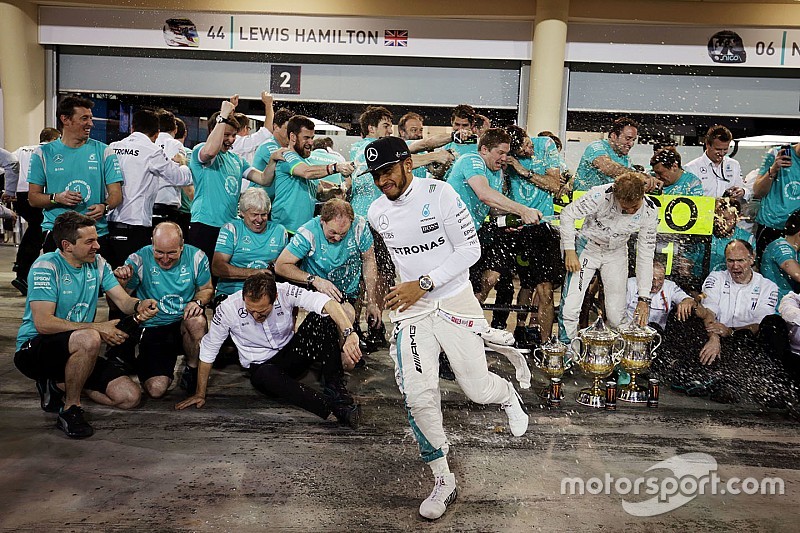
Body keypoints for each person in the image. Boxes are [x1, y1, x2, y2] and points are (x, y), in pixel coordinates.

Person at [366, 136, 529, 520]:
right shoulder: (375, 211)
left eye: (387, 171)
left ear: (407, 164)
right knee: (418, 394)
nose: (381, 181)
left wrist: (422, 283)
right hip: (413, 310)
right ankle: (443, 478)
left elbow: (469, 251)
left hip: (454, 299)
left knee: (475, 388)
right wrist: (388, 296)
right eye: (375, 175)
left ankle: (506, 395)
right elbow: (391, 259)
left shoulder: (440, 194)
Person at [13, 211, 158, 438]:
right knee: (89, 338)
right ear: (67, 245)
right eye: (89, 241)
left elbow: (123, 300)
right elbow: (43, 323)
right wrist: (98, 328)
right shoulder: (46, 266)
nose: (97, 246)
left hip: (79, 347)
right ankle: (71, 409)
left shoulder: (97, 264)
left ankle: (57, 384)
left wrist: (140, 304)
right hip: (34, 349)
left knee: (129, 397)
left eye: (96, 239)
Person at [175, 272, 363, 429]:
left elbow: (326, 302)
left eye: (262, 312)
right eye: (251, 311)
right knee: (265, 374)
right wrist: (200, 393)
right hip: (262, 368)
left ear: (275, 298)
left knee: (323, 318)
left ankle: (336, 388)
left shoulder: (284, 291)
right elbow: (209, 349)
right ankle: (336, 409)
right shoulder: (228, 309)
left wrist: (349, 333)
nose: (256, 316)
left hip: (290, 353)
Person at [654, 240, 790, 405]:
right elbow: (708, 312)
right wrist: (715, 337)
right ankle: (685, 370)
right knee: (686, 310)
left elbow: (759, 325)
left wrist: (730, 331)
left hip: (743, 341)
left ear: (752, 259)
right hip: (713, 335)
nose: (735, 266)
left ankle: (771, 383)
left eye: (740, 261)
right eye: (730, 261)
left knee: (775, 324)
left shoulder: (767, 287)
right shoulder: (716, 278)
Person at [109, 222, 213, 397]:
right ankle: (143, 361)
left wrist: (197, 302)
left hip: (182, 322)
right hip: (154, 325)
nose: (165, 259)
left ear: (182, 246)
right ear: (152, 244)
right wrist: (121, 282)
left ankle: (192, 369)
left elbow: (207, 289)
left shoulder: (197, 256)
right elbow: (118, 304)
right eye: (159, 252)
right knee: (156, 390)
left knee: (197, 320)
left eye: (172, 252)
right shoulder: (138, 260)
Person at [445, 128, 542, 303]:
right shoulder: (471, 160)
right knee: (460, 288)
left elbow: (493, 208)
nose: (505, 158)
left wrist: (511, 217)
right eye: (500, 153)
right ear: (484, 150)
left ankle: (472, 319)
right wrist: (522, 210)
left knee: (491, 277)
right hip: (451, 235)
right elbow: (484, 194)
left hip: (474, 232)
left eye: (507, 153)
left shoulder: (497, 171)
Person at [559, 172, 659, 342]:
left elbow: (645, 254)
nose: (630, 211)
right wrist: (569, 250)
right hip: (588, 248)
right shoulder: (599, 195)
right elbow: (568, 214)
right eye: (625, 207)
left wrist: (644, 297)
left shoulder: (649, 211)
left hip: (616, 252)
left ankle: (616, 355)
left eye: (635, 207)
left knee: (615, 315)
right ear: (615, 196)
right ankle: (566, 352)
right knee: (570, 307)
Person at [187, 95, 281, 264]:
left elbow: (264, 179)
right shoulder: (200, 151)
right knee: (201, 276)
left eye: (234, 136)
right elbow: (210, 151)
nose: (231, 140)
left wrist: (273, 160)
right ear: (213, 131)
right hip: (205, 224)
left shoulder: (236, 160)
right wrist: (222, 116)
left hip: (230, 227)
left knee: (222, 274)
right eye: (226, 135)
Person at [275, 198, 380, 348]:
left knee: (348, 318)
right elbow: (281, 265)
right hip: (319, 289)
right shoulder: (308, 232)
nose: (337, 237)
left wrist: (372, 301)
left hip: (348, 288)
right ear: (322, 221)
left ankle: (345, 352)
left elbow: (369, 260)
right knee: (340, 321)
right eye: (333, 232)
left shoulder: (359, 226)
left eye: (343, 234)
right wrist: (314, 280)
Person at [27, 95, 123, 253]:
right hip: (58, 235)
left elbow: (116, 195)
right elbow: (33, 198)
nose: (90, 124)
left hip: (95, 234)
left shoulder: (105, 151)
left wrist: (104, 206)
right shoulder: (43, 154)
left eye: (91, 118)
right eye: (84, 118)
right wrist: (56, 198)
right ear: (65, 119)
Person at [107, 109, 193, 267]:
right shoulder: (152, 151)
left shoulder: (112, 147)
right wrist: (182, 164)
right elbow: (180, 178)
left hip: (111, 222)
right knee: (134, 276)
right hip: (136, 225)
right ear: (156, 133)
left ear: (132, 128)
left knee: (113, 277)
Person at [502, 126, 563, 344]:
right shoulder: (504, 156)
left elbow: (555, 185)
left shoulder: (545, 145)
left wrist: (521, 169)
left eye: (528, 144)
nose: (529, 150)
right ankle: (515, 329)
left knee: (545, 290)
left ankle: (545, 345)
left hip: (541, 227)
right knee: (515, 285)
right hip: (513, 228)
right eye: (523, 150)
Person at [270, 115, 355, 234]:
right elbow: (306, 172)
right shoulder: (286, 155)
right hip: (284, 230)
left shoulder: (306, 161)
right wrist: (336, 167)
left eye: (312, 138)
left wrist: (332, 193)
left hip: (302, 231)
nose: (310, 142)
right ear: (293, 137)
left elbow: (316, 194)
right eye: (306, 138)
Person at [4, 128, 61, 295]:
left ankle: (22, 266)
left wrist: (9, 190)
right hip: (38, 194)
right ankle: (26, 270)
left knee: (34, 230)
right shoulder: (49, 151)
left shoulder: (22, 149)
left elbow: (7, 167)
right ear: (54, 138)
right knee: (39, 231)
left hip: (20, 197)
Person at [213, 187, 288, 297]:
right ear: (242, 213)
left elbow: (285, 265)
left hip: (267, 295)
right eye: (254, 214)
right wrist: (253, 273)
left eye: (263, 214)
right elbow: (217, 267)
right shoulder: (231, 229)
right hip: (233, 293)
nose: (259, 220)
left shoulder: (280, 231)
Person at [573, 117, 657, 192]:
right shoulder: (596, 147)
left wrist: (650, 181)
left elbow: (629, 180)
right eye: (628, 138)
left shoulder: (626, 159)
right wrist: (640, 177)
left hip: (603, 202)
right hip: (583, 200)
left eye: (633, 140)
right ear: (613, 136)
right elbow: (608, 167)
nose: (631, 144)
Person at [752, 141, 800, 261]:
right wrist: (773, 169)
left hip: (796, 232)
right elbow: (758, 191)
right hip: (771, 227)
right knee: (767, 273)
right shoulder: (776, 153)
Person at [624, 261, 695, 331]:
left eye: (660, 279)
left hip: (657, 334)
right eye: (652, 279)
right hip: (631, 332)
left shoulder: (670, 287)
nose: (656, 284)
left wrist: (686, 300)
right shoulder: (630, 284)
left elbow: (688, 299)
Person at [153, 110, 195, 228]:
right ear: (175, 129)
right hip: (168, 204)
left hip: (146, 205)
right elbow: (182, 178)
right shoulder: (175, 145)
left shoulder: (148, 143)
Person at [684, 125, 748, 200]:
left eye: (725, 149)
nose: (722, 153)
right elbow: (687, 198)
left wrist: (743, 192)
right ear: (708, 145)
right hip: (704, 211)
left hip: (729, 210)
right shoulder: (691, 168)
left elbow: (744, 189)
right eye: (718, 149)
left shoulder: (734, 165)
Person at [251, 107, 295, 201]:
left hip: (269, 201)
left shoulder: (284, 148)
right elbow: (290, 166)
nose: (291, 134)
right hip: (256, 203)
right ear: (276, 127)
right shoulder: (269, 146)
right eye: (287, 129)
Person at [760, 209, 800, 304]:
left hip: (791, 305)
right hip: (775, 308)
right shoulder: (780, 246)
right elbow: (796, 273)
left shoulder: (796, 251)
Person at [231, 91, 275, 164]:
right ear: (245, 128)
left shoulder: (224, 141)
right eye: (249, 128)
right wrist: (268, 104)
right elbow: (267, 131)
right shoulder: (240, 142)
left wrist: (231, 107)